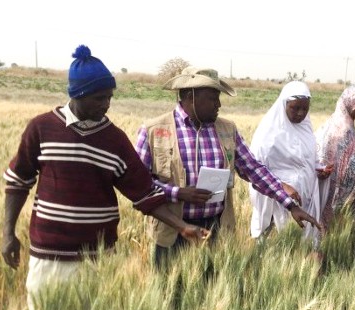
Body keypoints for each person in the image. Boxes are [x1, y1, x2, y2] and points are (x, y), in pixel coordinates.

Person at [2, 45, 207, 310]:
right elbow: (18, 182)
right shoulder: (42, 129)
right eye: (100, 98)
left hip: (98, 257)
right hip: (49, 255)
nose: (107, 104)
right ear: (77, 95)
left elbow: (144, 193)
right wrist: (8, 233)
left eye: (110, 97)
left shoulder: (114, 140)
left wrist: (180, 226)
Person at [135, 67, 320, 267]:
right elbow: (139, 186)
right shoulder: (154, 131)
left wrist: (290, 205)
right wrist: (178, 193)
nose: (219, 104)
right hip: (172, 229)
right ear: (191, 97)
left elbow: (254, 170)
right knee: (170, 292)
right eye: (213, 98)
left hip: (216, 229)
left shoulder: (227, 130)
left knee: (214, 290)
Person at [248, 81, 325, 241]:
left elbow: (306, 160)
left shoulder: (306, 130)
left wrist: (318, 168)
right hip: (275, 201)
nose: (300, 113)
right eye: (295, 108)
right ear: (284, 104)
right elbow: (255, 169)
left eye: (305, 108)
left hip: (303, 201)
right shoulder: (268, 133)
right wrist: (281, 186)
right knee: (274, 246)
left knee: (299, 248)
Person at [315, 86, 355, 228]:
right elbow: (349, 164)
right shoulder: (343, 130)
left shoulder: (337, 123)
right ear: (349, 105)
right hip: (332, 189)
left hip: (326, 186)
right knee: (330, 226)